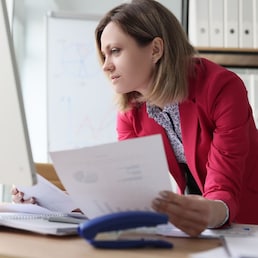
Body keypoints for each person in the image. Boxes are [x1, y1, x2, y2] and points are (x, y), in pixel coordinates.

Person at [12, 0, 258, 237]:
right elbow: (129, 194)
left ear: (155, 49)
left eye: (115, 51)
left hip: (246, 223)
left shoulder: (222, 88)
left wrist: (206, 212)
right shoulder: (131, 110)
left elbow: (223, 188)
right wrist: (53, 202)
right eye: (104, 55)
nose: (106, 66)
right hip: (196, 227)